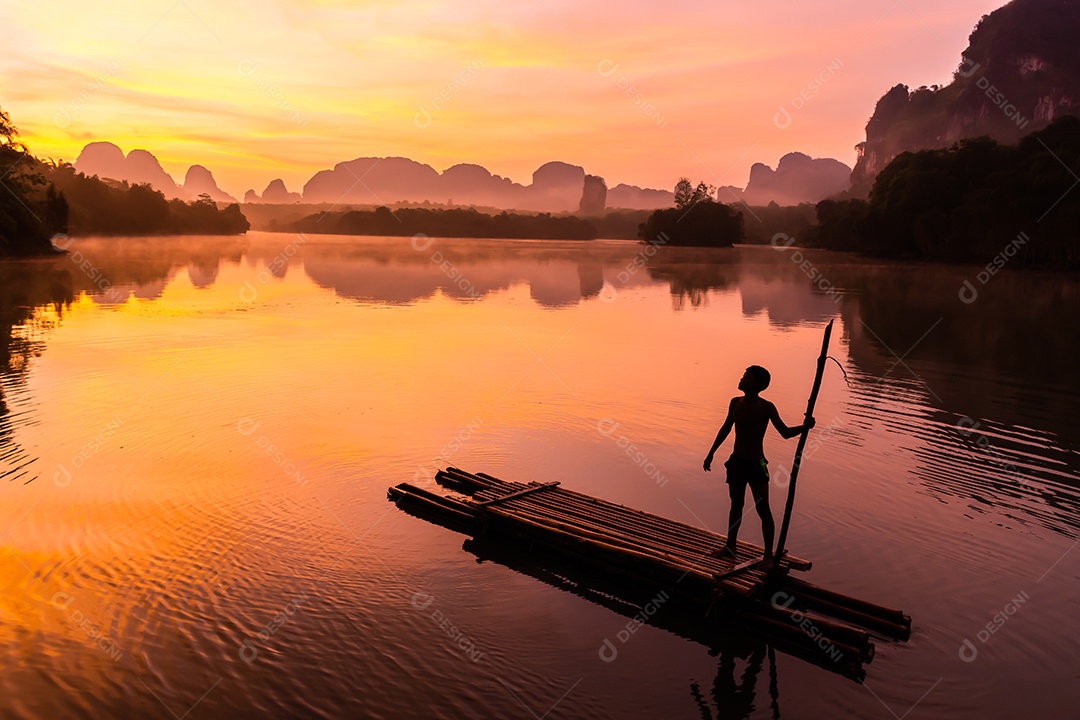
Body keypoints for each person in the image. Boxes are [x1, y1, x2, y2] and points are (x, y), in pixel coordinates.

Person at [703, 365, 814, 561]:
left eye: (747, 377)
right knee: (736, 505)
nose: (742, 379)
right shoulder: (735, 403)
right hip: (736, 463)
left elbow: (785, 433)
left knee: (763, 509)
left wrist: (805, 427)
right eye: (743, 376)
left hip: (756, 465)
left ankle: (768, 557)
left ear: (758, 385)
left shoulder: (766, 407)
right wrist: (711, 453)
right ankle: (730, 547)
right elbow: (726, 428)